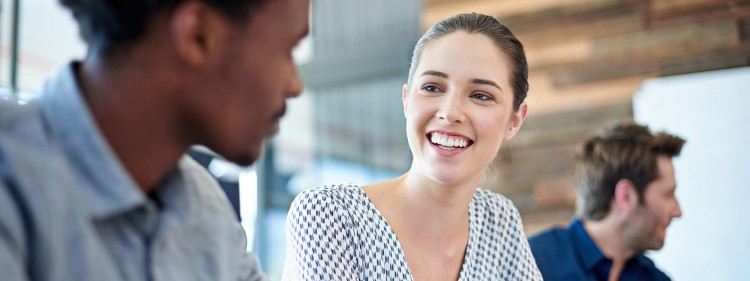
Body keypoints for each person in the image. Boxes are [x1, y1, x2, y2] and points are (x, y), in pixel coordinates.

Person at [0, 0, 309, 280]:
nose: (295, 86)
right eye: (288, 50)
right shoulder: (13, 185)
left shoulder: (204, 209)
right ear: (198, 35)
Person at [282, 13, 542, 280]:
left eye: (480, 95)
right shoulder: (330, 215)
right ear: (406, 100)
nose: (450, 112)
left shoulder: (499, 221)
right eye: (432, 87)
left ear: (514, 120)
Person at [528, 123, 686, 281]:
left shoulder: (653, 278)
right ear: (626, 196)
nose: (678, 211)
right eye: (668, 194)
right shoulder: (529, 261)